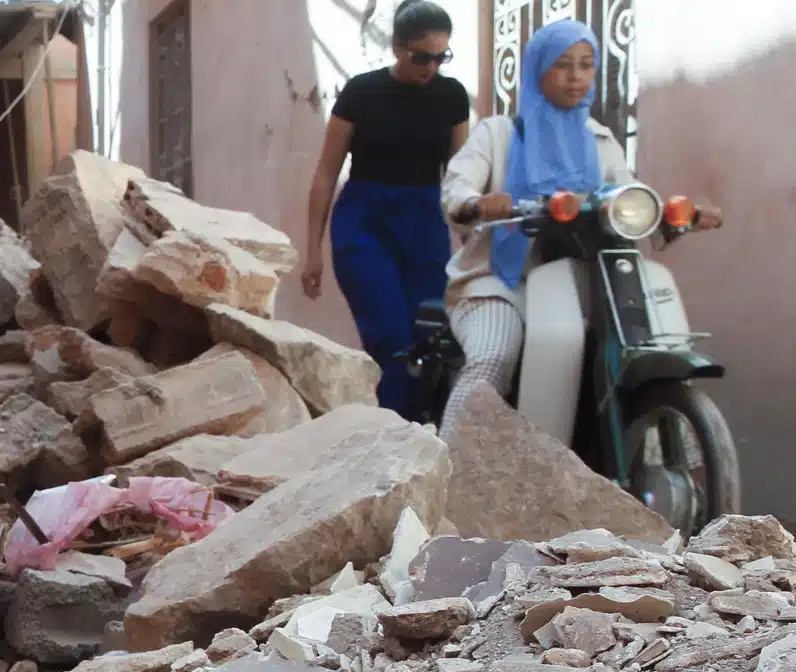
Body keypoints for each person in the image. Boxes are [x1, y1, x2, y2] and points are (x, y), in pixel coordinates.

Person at [437, 18, 723, 439]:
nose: (576, 76)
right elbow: (455, 191)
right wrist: (477, 202)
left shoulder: (599, 139)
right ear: (538, 70)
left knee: (648, 342)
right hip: (500, 281)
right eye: (563, 65)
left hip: (590, 279)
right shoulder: (497, 133)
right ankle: (447, 470)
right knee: (493, 358)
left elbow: (626, 195)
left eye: (586, 65)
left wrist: (674, 215)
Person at [302, 0, 471, 419]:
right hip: (364, 223)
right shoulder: (362, 92)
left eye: (440, 57)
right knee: (391, 337)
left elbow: (461, 177)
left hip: (423, 224)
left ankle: (418, 434)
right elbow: (326, 173)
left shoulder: (451, 97)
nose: (430, 67)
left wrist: (474, 242)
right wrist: (312, 252)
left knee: (429, 338)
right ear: (396, 47)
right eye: (421, 57)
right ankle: (395, 438)